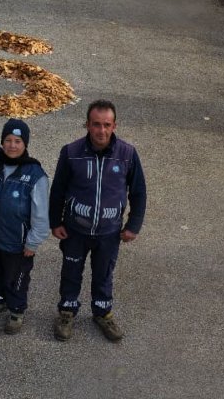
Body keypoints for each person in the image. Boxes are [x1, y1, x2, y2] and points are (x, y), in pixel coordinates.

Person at [49, 99, 147, 343]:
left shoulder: (127, 154)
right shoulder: (70, 153)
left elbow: (138, 192)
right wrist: (55, 222)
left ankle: (102, 312)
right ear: (87, 125)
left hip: (109, 232)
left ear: (114, 126)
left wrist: (133, 225)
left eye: (106, 125)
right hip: (75, 230)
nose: (101, 131)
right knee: (71, 272)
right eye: (96, 125)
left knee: (103, 273)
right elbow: (58, 190)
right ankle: (67, 311)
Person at [0, 119, 49, 334]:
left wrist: (33, 242)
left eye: (18, 141)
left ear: (25, 144)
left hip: (18, 242)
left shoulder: (35, 174)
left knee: (15, 278)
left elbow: (41, 214)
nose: (12, 145)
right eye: (8, 140)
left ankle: (16, 309)